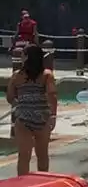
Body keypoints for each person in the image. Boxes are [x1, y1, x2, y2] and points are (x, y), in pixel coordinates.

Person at [6, 44, 57, 176]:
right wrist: (53, 116)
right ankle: (41, 181)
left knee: (24, 156)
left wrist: (21, 103)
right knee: (42, 154)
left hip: (23, 117)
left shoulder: (17, 76)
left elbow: (10, 97)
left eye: (23, 55)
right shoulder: (46, 75)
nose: (21, 58)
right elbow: (52, 96)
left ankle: (22, 183)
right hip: (42, 117)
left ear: (27, 57)